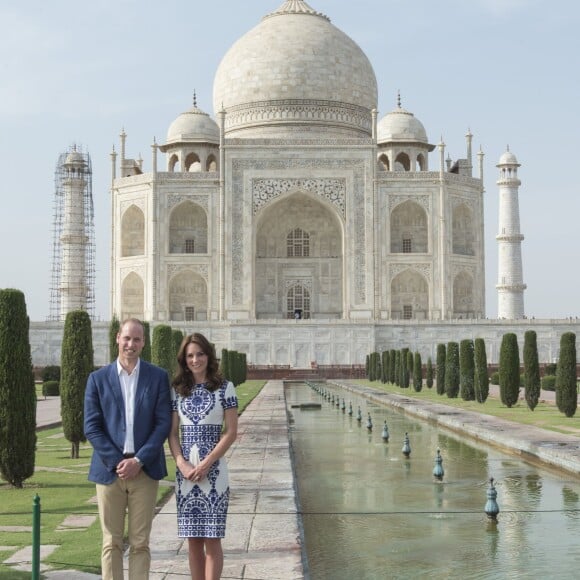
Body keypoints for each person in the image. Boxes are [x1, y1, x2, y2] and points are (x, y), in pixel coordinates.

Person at [84, 318, 172, 580]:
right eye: (127, 338)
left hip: (144, 471)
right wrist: (117, 462)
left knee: (140, 541)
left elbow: (162, 423)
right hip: (110, 471)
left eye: (136, 339)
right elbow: (92, 427)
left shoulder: (157, 377)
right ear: (117, 338)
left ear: (143, 342)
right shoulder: (97, 379)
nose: (131, 344)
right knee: (111, 541)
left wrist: (139, 460)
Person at [168, 333, 238, 580]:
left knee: (212, 538)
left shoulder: (224, 388)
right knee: (193, 540)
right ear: (184, 360)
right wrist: (182, 464)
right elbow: (173, 435)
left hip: (214, 473)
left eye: (199, 354)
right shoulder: (178, 391)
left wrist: (207, 463)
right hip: (186, 474)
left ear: (209, 356)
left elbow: (230, 433)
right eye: (190, 356)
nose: (195, 360)